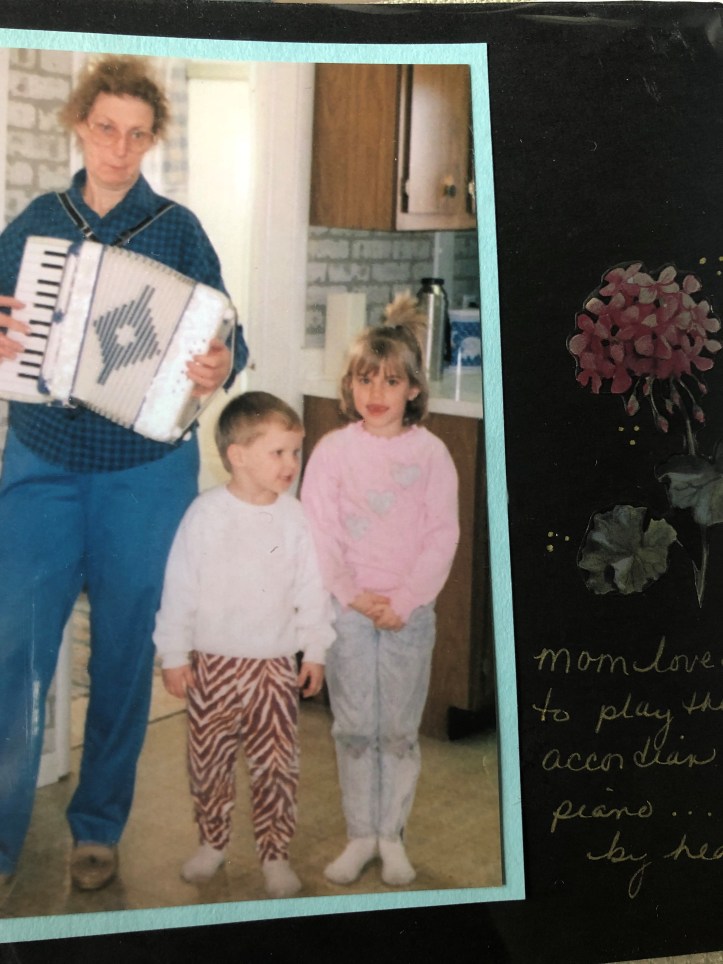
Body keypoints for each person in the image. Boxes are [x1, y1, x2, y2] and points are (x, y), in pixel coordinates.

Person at [0, 55, 248, 893]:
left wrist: (222, 362)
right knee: (14, 652)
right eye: (105, 128)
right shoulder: (36, 222)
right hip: (40, 460)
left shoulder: (176, 229)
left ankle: (98, 825)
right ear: (80, 125)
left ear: (151, 141)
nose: (118, 147)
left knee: (121, 655)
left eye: (136, 135)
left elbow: (227, 334)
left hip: (145, 473)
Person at [300, 295, 459, 887]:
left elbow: (442, 536)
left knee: (395, 730)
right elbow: (319, 531)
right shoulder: (333, 452)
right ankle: (360, 834)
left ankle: (391, 836)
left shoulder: (433, 455)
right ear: (350, 385)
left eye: (392, 381)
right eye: (367, 378)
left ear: (413, 389)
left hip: (408, 616)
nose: (378, 392)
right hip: (348, 612)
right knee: (353, 727)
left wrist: (407, 599)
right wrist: (349, 593)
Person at [153, 391, 334, 898]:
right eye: (278, 453)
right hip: (212, 664)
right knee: (208, 762)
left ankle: (275, 854)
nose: (290, 464)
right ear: (238, 455)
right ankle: (212, 843)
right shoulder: (206, 514)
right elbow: (180, 587)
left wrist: (315, 648)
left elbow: (311, 589)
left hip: (274, 667)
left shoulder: (294, 518)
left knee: (277, 765)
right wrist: (173, 653)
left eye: (295, 453)